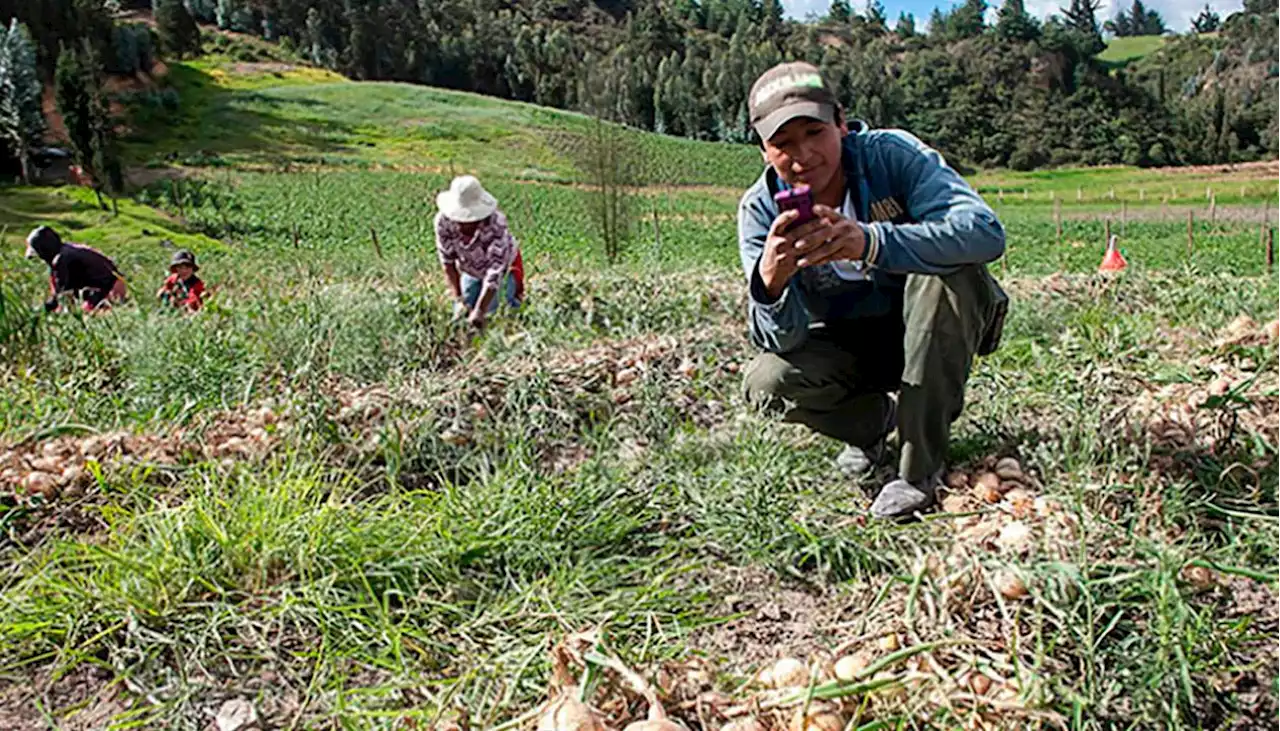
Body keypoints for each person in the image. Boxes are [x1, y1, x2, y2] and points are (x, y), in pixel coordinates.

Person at [738, 62, 1009, 520]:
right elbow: (779, 342)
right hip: (849, 344)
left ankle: (918, 470)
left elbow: (984, 232)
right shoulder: (760, 213)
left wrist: (874, 242)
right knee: (766, 384)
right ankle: (872, 427)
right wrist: (771, 284)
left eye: (815, 132)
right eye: (782, 144)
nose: (803, 155)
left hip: (932, 325)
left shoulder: (892, 155)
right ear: (764, 150)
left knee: (948, 274)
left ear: (841, 123)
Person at [434, 175, 525, 329]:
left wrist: (480, 310)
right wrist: (459, 299)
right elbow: (447, 261)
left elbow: (495, 271)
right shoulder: (443, 222)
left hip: (503, 269)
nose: (465, 224)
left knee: (493, 312)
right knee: (464, 308)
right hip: (470, 267)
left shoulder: (496, 224)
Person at [24, 226, 127, 313]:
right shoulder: (66, 251)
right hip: (112, 285)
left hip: (110, 291)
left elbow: (62, 297)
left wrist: (42, 310)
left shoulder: (62, 260)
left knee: (84, 318)